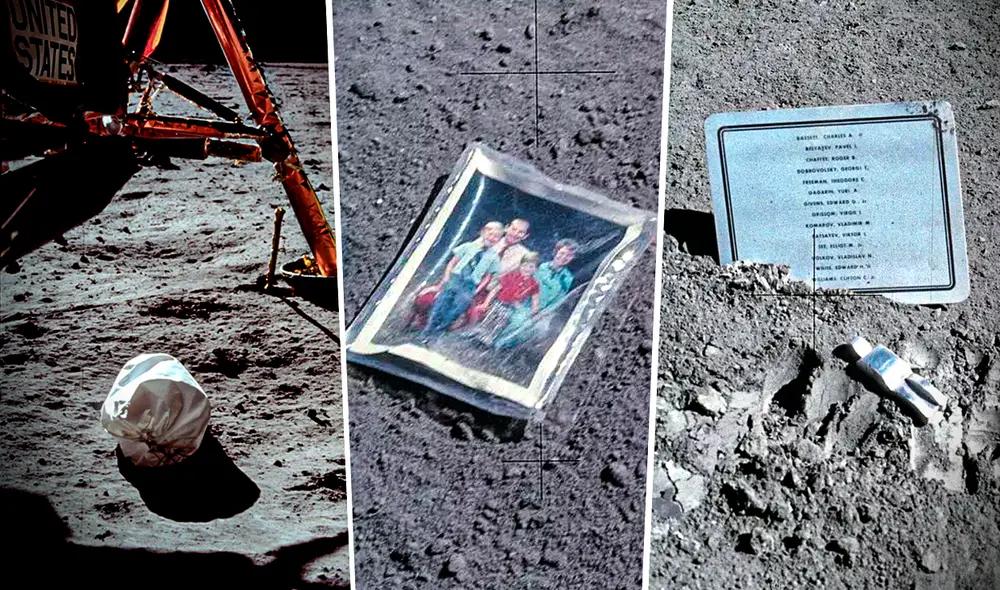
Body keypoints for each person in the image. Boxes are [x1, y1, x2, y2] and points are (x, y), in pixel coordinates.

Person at [418, 221, 504, 343]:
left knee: (457, 309)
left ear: (499, 240)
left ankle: (438, 332)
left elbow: (487, 277)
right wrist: (446, 278)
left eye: (497, 237)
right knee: (440, 305)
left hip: (469, 286)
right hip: (455, 279)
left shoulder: (493, 257)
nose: (492, 238)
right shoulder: (468, 246)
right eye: (490, 234)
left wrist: (477, 289)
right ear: (483, 232)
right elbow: (452, 263)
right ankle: (427, 331)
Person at [494, 238, 578, 349]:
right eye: (562, 253)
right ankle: (496, 343)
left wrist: (543, 314)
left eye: (569, 255)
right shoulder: (538, 267)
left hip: (541, 312)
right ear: (556, 251)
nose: (563, 257)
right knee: (519, 320)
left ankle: (506, 347)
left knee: (538, 329)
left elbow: (558, 300)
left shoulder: (568, 278)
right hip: (521, 305)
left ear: (572, 258)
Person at [471, 251, 541, 347]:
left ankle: (487, 341)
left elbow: (535, 300)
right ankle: (477, 334)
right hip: (498, 303)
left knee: (499, 323)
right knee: (489, 318)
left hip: (510, 307)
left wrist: (535, 313)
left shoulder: (534, 284)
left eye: (531, 267)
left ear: (536, 269)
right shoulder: (511, 275)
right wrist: (486, 303)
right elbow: (495, 289)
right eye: (525, 265)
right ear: (520, 265)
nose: (527, 269)